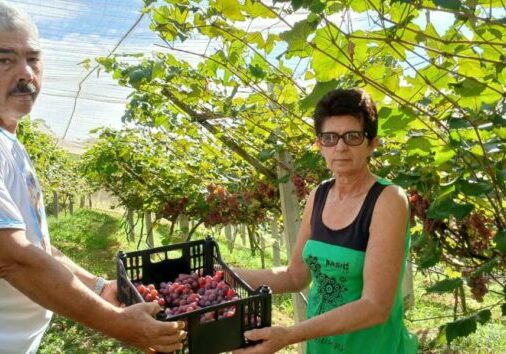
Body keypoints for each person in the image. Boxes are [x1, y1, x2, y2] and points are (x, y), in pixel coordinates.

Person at [0, 2, 186, 353]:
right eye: (4, 59)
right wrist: (117, 324)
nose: (25, 72)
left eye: (33, 58)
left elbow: (36, 247)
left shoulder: (11, 146)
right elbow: (12, 257)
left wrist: (100, 287)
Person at [233, 88, 418, 353]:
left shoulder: (388, 200)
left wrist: (288, 335)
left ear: (372, 144)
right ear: (319, 144)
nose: (340, 147)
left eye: (352, 137)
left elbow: (375, 307)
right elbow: (296, 275)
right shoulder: (319, 195)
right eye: (330, 137)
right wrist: (227, 275)